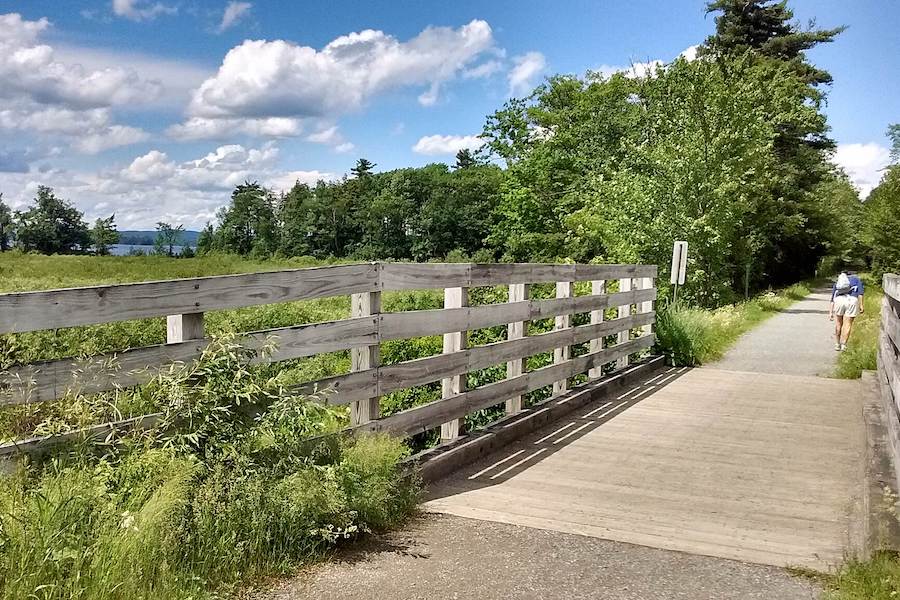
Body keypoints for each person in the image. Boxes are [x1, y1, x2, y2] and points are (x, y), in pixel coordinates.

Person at [829, 270, 864, 351]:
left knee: (838, 323)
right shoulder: (856, 279)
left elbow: (833, 298)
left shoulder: (839, 280)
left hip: (839, 300)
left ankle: (837, 344)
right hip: (851, 300)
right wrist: (861, 305)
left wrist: (831, 312)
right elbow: (860, 293)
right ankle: (844, 345)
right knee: (848, 324)